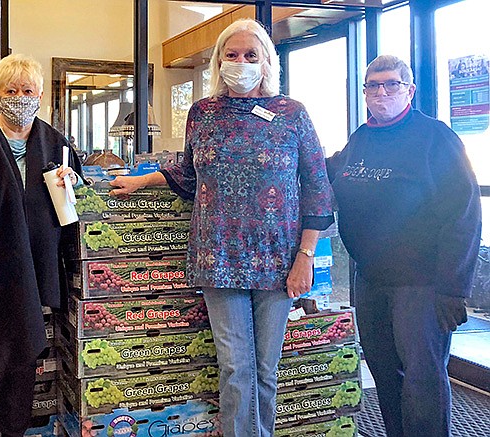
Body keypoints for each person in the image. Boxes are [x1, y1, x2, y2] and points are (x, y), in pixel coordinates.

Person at [108, 18, 334, 437]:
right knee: (235, 367)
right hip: (218, 257)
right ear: (218, 62)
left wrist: (305, 257)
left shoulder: (292, 114)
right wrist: (140, 180)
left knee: (265, 369)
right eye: (231, 54)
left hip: (278, 260)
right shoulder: (203, 113)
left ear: (267, 62)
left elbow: (317, 188)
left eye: (251, 55)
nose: (241, 62)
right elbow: (188, 175)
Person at [327, 55, 481, 437]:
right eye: (373, 86)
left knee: (422, 379)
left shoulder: (436, 137)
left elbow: (464, 215)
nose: (381, 92)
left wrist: (453, 288)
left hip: (423, 283)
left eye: (391, 84)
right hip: (372, 279)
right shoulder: (362, 137)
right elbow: (331, 171)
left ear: (409, 90)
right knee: (383, 372)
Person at [0, 53, 82, 437]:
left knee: (22, 359)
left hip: (33, 271)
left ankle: (14, 431)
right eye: (11, 90)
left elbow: (72, 212)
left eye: (27, 90)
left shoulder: (56, 144)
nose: (19, 97)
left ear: (40, 94)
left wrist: (72, 185)